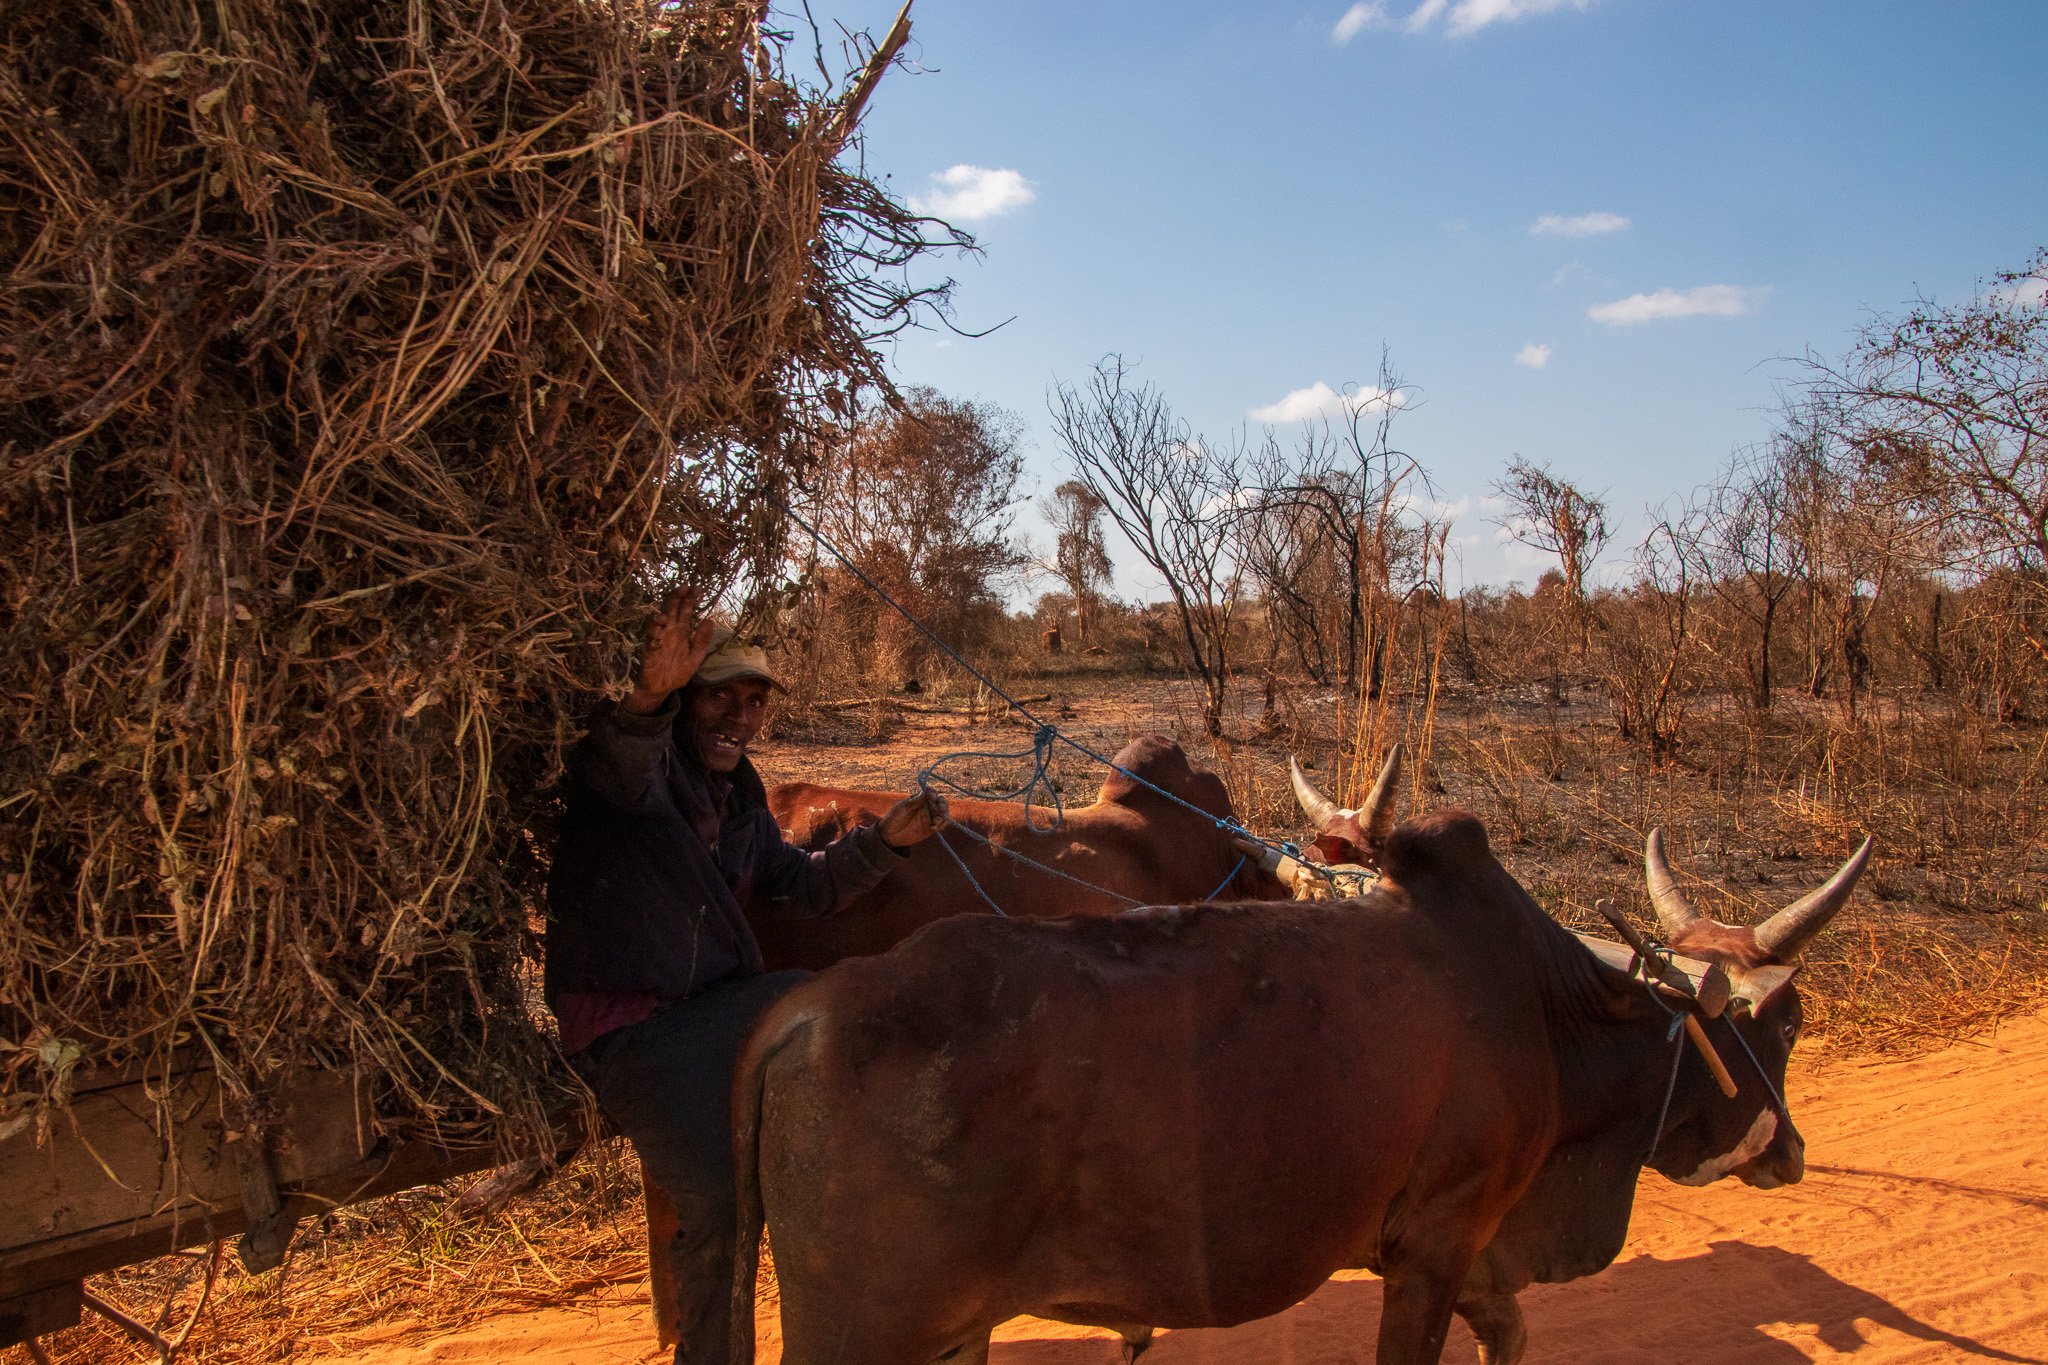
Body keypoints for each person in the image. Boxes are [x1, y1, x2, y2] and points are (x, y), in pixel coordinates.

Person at [544, 587, 946, 1365]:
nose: (738, 716)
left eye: (754, 700)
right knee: (722, 1203)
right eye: (719, 696)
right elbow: (619, 762)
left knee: (841, 1009)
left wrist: (888, 842)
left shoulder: (738, 801)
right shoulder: (639, 775)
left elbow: (804, 883)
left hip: (715, 1012)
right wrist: (647, 697)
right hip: (633, 1028)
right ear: (685, 699)